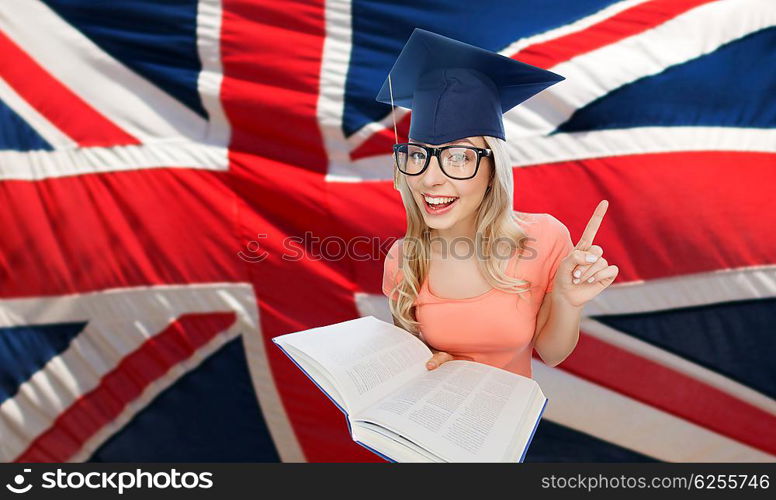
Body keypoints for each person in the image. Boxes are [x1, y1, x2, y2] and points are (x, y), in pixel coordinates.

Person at [378, 29, 618, 379]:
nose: (430, 179)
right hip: (432, 423)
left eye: (458, 157)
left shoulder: (543, 237)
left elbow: (552, 353)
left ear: (492, 169)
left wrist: (566, 299)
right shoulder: (403, 258)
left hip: (509, 425)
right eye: (417, 156)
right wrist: (429, 364)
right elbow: (411, 362)